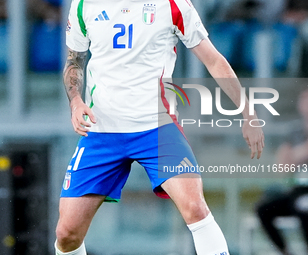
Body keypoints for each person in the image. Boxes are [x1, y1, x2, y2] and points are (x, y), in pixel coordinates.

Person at [55, 0, 265, 254]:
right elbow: (74, 60)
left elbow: (214, 60)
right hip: (102, 131)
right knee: (67, 234)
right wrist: (76, 102)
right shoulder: (83, 4)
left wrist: (247, 111)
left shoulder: (173, 4)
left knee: (195, 208)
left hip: (156, 127)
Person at [256, 89, 308, 255]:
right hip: (297, 190)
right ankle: (285, 251)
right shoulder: (294, 132)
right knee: (263, 209)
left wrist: (297, 154)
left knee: (304, 207)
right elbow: (282, 167)